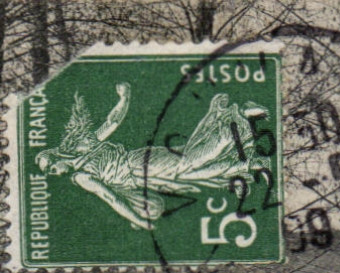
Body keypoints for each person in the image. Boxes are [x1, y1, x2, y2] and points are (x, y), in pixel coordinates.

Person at [36, 83, 269, 230]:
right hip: (142, 175)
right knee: (192, 171)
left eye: (51, 168)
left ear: (57, 157)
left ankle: (237, 119)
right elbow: (111, 125)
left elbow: (110, 198)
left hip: (138, 165)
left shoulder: (81, 173)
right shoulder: (84, 155)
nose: (54, 173)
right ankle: (246, 166)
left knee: (190, 163)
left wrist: (140, 222)